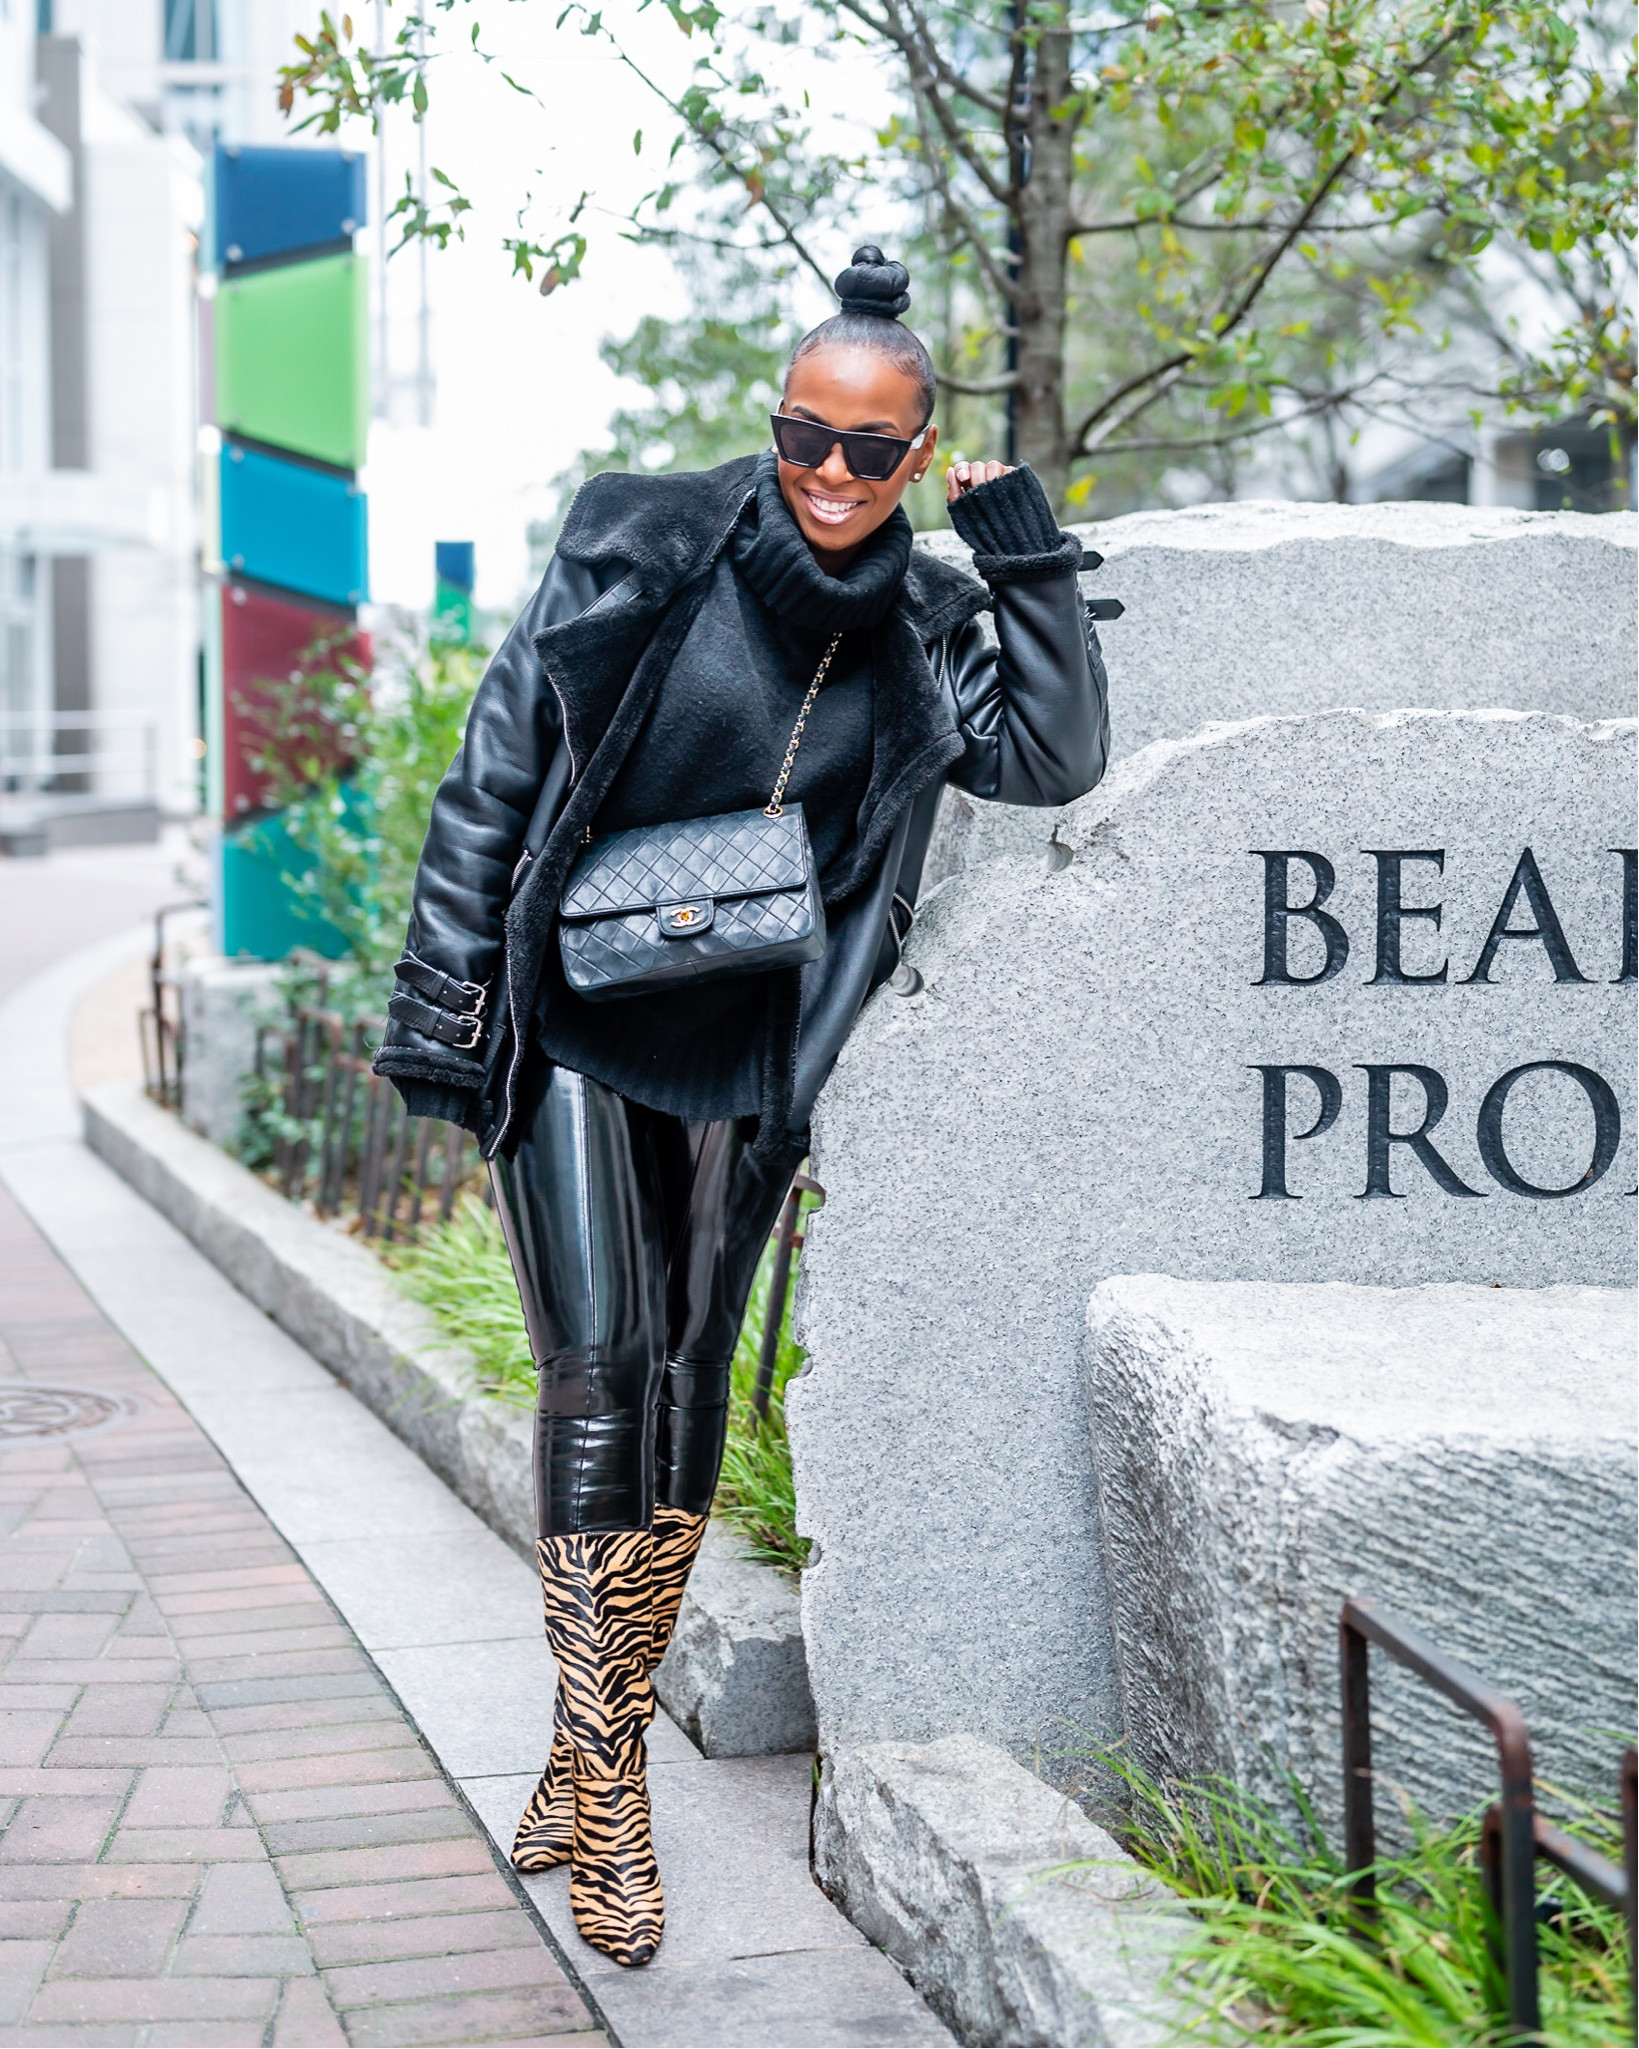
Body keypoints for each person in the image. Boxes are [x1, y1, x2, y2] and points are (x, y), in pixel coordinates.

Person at [374, 245, 1111, 1969]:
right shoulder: (642, 540)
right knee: (600, 1359)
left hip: (751, 1046)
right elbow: (497, 769)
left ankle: (578, 1731)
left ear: (921, 456)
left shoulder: (928, 624)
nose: (832, 476)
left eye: (873, 451)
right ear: (770, 419)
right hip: (573, 1014)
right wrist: (448, 997)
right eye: (805, 433)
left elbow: (1054, 754)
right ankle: (617, 1772)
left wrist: (1023, 558)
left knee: (697, 1366)